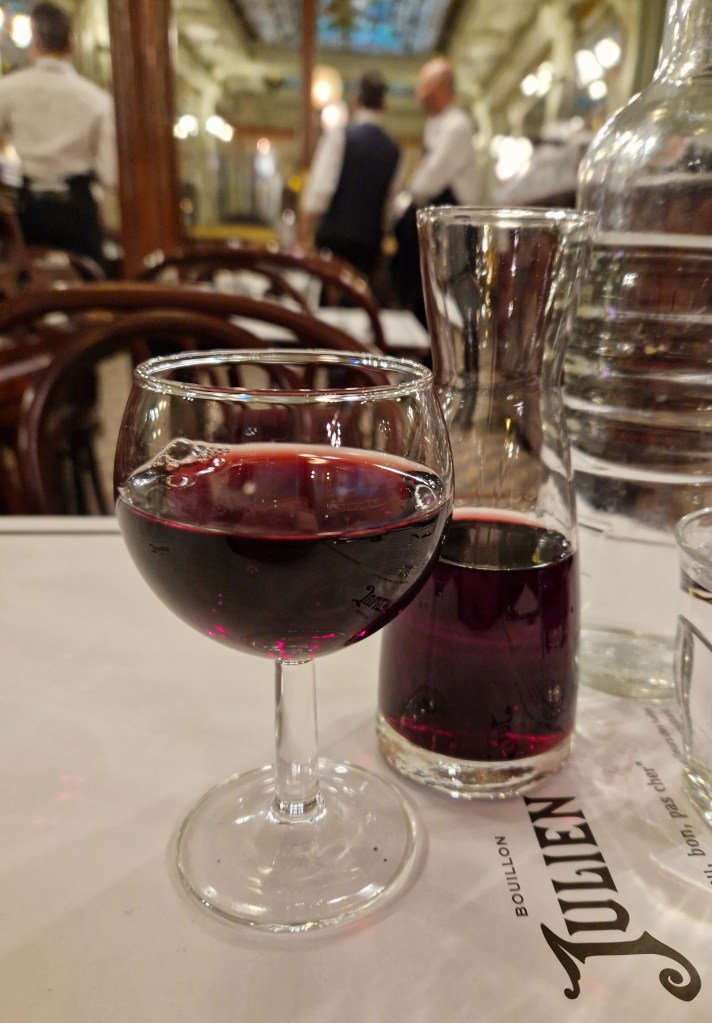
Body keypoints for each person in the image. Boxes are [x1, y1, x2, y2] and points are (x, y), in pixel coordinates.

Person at [0, 2, 117, 270]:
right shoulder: (98, 100)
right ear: (71, 46)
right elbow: (110, 175)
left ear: (34, 43)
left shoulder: (7, 90)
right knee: (87, 284)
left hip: (28, 210)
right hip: (77, 210)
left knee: (27, 286)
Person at [392, 56, 478, 324]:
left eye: (425, 88)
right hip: (439, 223)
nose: (420, 96)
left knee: (450, 298)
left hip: (453, 227)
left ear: (440, 88)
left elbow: (429, 180)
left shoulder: (457, 125)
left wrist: (408, 197)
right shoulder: (436, 124)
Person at [300, 71, 402, 287]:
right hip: (370, 246)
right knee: (359, 299)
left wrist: (302, 236)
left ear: (355, 99)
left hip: (333, 243)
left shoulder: (340, 135)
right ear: (384, 103)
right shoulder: (393, 148)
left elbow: (321, 191)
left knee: (328, 299)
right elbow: (389, 207)